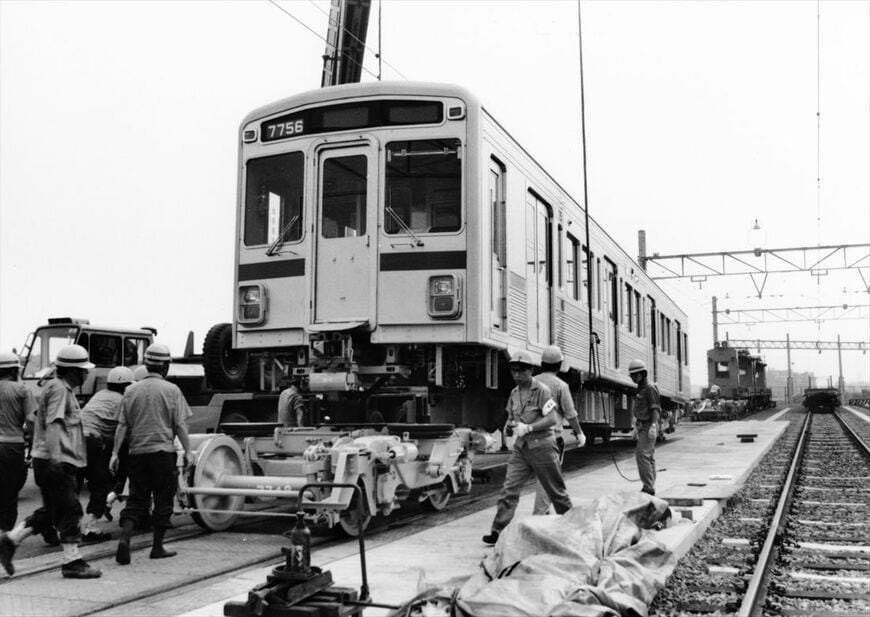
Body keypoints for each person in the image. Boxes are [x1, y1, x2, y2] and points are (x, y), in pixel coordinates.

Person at [0, 345, 102, 578]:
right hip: (55, 459)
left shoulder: (60, 388)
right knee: (71, 509)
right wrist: (56, 460)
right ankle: (72, 561)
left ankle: (10, 541)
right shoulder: (59, 389)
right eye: (83, 370)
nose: (87, 374)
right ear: (73, 371)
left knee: (53, 509)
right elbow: (55, 424)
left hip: (50, 459)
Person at [110, 343, 193, 565]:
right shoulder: (172, 390)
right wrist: (188, 451)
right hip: (162, 453)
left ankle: (125, 539)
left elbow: (122, 426)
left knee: (136, 500)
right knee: (163, 499)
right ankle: (157, 547)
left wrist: (115, 454)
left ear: (146, 365)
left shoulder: (130, 391)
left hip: (137, 454)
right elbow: (180, 426)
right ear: (165, 366)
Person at [482, 351, 573, 545]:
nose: (517, 374)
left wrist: (529, 427)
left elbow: (552, 418)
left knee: (556, 491)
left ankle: (574, 527)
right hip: (522, 448)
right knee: (509, 489)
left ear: (530, 370)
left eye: (521, 371)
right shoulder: (514, 393)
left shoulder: (541, 390)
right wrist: (509, 426)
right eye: (514, 370)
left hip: (543, 447)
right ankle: (498, 530)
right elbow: (511, 415)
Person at [79, 366, 133, 542]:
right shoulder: (123, 400)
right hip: (92, 440)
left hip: (74, 438)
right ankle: (91, 529)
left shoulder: (99, 395)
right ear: (126, 386)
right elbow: (124, 430)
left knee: (72, 486)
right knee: (100, 484)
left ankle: (63, 526)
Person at [532, 345, 587, 516]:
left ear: (542, 363)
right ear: (559, 365)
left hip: (531, 436)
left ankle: (545, 512)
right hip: (551, 437)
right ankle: (540, 515)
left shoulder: (531, 382)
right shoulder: (561, 386)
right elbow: (570, 413)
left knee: (542, 476)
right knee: (549, 478)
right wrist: (579, 433)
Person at [105, 365, 149, 516]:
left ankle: (109, 500)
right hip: (140, 445)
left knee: (124, 476)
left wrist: (115, 453)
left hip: (117, 442)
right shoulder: (143, 396)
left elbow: (122, 425)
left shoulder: (121, 395)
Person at [0, 352, 37, 532]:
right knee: (9, 492)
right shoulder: (22, 390)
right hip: (12, 445)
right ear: (15, 370)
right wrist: (35, 444)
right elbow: (30, 419)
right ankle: (5, 534)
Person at [628, 359, 661, 496]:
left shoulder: (650, 388)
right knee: (648, 457)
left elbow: (655, 409)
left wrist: (653, 425)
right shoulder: (640, 388)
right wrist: (636, 427)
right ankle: (650, 484)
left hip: (649, 425)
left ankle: (648, 487)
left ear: (643, 374)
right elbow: (640, 409)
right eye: (632, 376)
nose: (633, 378)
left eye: (635, 375)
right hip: (642, 425)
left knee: (642, 456)